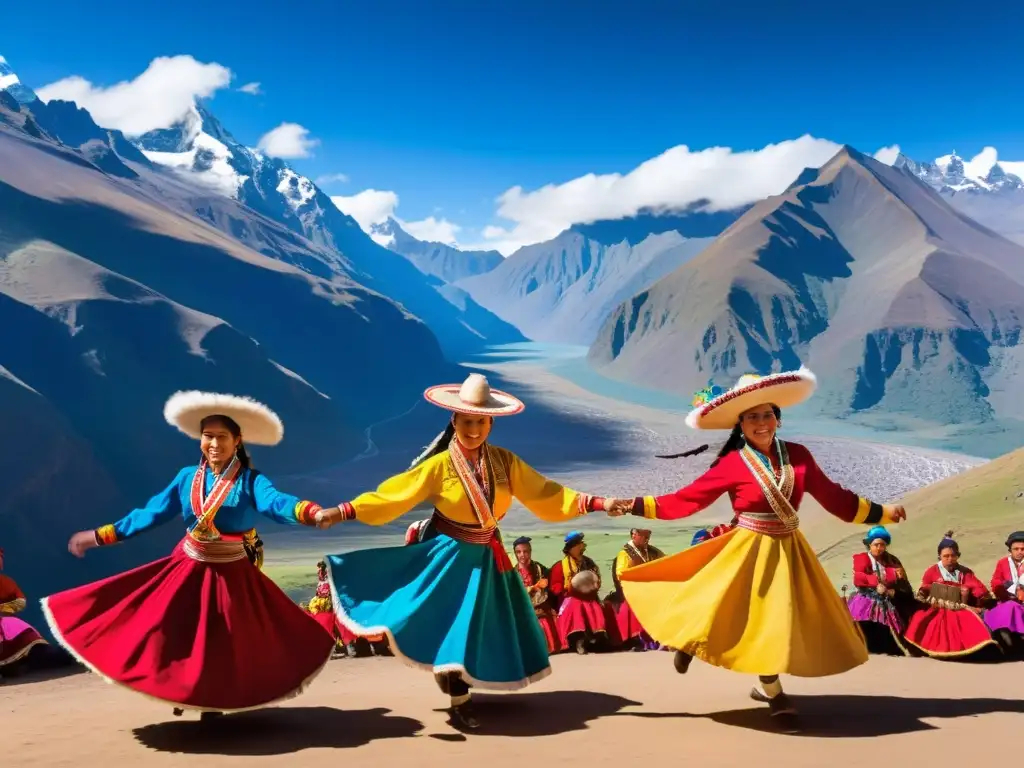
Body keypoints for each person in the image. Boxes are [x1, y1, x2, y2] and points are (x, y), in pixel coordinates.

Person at [606, 368, 907, 733]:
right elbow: (686, 501)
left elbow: (834, 498)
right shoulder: (732, 463)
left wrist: (882, 513)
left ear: (778, 419)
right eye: (752, 417)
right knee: (756, 617)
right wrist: (634, 505)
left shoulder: (799, 457)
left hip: (788, 551)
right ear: (741, 423)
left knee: (777, 621)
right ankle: (773, 692)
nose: (761, 423)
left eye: (767, 414)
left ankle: (706, 651)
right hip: (748, 548)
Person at [314, 373, 614, 730]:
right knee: (456, 625)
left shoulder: (505, 462)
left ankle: (457, 679)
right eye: (468, 421)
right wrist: (344, 510)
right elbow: (394, 494)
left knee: (481, 627)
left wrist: (596, 502)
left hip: (487, 557)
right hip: (450, 556)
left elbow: (546, 493)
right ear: (455, 421)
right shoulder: (439, 466)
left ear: (491, 423)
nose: (475, 429)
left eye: (482, 422)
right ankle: (460, 698)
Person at [40, 391, 337, 719]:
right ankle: (181, 689)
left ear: (237, 441)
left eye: (222, 437)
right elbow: (150, 513)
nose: (214, 444)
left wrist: (310, 513)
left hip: (231, 571)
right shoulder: (186, 478)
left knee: (226, 640)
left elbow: (276, 502)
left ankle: (214, 701)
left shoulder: (252, 481)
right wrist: (97, 537)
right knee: (171, 630)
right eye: (207, 436)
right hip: (188, 564)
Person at [903, 531, 997, 660]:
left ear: (958, 556)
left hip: (961, 606)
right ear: (939, 557)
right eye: (945, 556)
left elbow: (978, 588)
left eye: (953, 555)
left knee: (972, 618)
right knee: (923, 618)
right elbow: (924, 590)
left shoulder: (965, 572)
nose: (949, 559)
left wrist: (983, 599)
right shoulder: (932, 571)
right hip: (937, 606)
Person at [846, 526, 914, 655]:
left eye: (882, 545)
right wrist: (877, 582)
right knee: (861, 621)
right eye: (876, 544)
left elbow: (903, 583)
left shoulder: (892, 561)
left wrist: (893, 590)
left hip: (887, 600)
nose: (879, 548)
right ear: (869, 545)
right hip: (866, 597)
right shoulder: (862, 558)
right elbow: (858, 578)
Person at [549, 531, 611, 654]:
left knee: (594, 606)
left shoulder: (589, 563)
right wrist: (567, 587)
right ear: (571, 548)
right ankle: (579, 639)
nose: (581, 546)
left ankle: (596, 637)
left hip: (588, 596)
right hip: (569, 598)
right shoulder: (560, 566)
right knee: (575, 605)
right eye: (578, 544)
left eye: (581, 544)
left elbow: (596, 578)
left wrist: (594, 585)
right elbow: (554, 586)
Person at [605, 529, 665, 651]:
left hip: (650, 590)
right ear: (634, 535)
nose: (647, 539)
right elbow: (620, 574)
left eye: (649, 536)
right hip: (631, 591)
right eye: (645, 536)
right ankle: (636, 639)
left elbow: (666, 561)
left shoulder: (652, 550)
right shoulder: (625, 553)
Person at [0, 548, 52, 677]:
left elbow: (20, 602)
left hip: (4, 621)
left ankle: (10, 667)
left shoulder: (6, 582)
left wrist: (1, 608)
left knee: (17, 627)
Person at [512, 536, 563, 654]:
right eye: (519, 552)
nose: (522, 555)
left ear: (530, 552)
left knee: (549, 619)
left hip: (540, 605)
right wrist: (534, 587)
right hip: (522, 607)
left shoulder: (540, 568)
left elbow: (549, 584)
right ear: (515, 554)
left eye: (525, 551)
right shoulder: (513, 573)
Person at [985, 531, 1024, 655]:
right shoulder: (1002, 563)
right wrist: (1005, 588)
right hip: (1008, 600)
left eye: (1023, 549)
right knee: (1008, 608)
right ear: (1010, 550)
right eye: (1016, 549)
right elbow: (995, 581)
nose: (1019, 552)